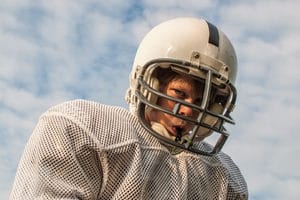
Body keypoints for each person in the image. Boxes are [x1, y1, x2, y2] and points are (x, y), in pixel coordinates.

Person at [10, 17, 248, 199]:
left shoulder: (223, 177)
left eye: (201, 103)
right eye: (179, 93)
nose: (188, 111)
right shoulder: (83, 130)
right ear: (148, 83)